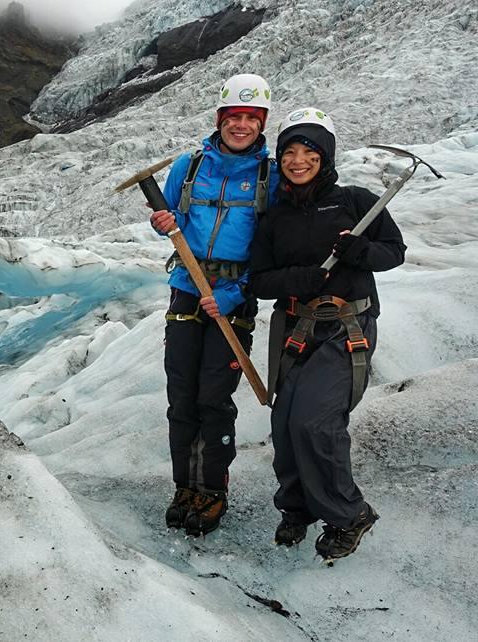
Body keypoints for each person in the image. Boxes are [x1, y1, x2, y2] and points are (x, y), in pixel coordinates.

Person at [248, 107, 405, 560]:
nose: (297, 160)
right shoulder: (275, 217)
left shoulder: (357, 202)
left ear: (325, 157)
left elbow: (393, 252)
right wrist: (296, 279)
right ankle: (296, 506)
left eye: (309, 152)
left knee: (315, 421)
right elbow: (259, 281)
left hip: (346, 329)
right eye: (289, 152)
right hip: (297, 328)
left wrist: (361, 252)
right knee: (284, 423)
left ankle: (348, 513)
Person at [150, 73, 278, 536]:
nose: (241, 125)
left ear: (261, 122)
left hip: (233, 299)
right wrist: (162, 220)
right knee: (181, 395)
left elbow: (271, 243)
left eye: (251, 117)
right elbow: (174, 217)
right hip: (187, 287)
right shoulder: (189, 165)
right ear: (220, 119)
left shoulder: (270, 176)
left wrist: (234, 291)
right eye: (234, 117)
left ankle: (212, 490)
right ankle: (184, 486)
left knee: (214, 398)